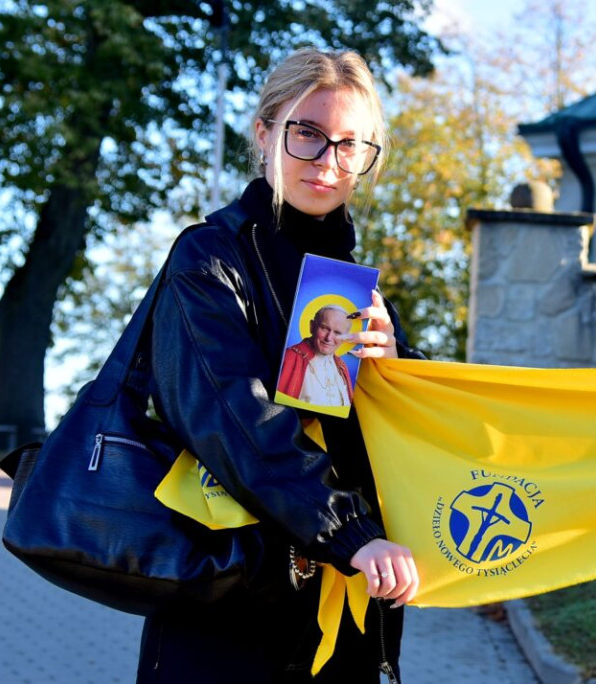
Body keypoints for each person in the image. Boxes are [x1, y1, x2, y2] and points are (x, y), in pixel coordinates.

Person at [138, 48, 422, 683]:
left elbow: (409, 431)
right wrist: (351, 534)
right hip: (230, 607)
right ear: (265, 132)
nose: (328, 163)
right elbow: (235, 422)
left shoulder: (360, 292)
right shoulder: (208, 261)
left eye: (351, 145)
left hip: (345, 611)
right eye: (308, 135)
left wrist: (397, 366)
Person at [278, 304, 355, 407]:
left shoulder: (341, 366)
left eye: (337, 333)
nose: (329, 338)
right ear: (312, 326)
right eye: (324, 328)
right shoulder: (289, 358)